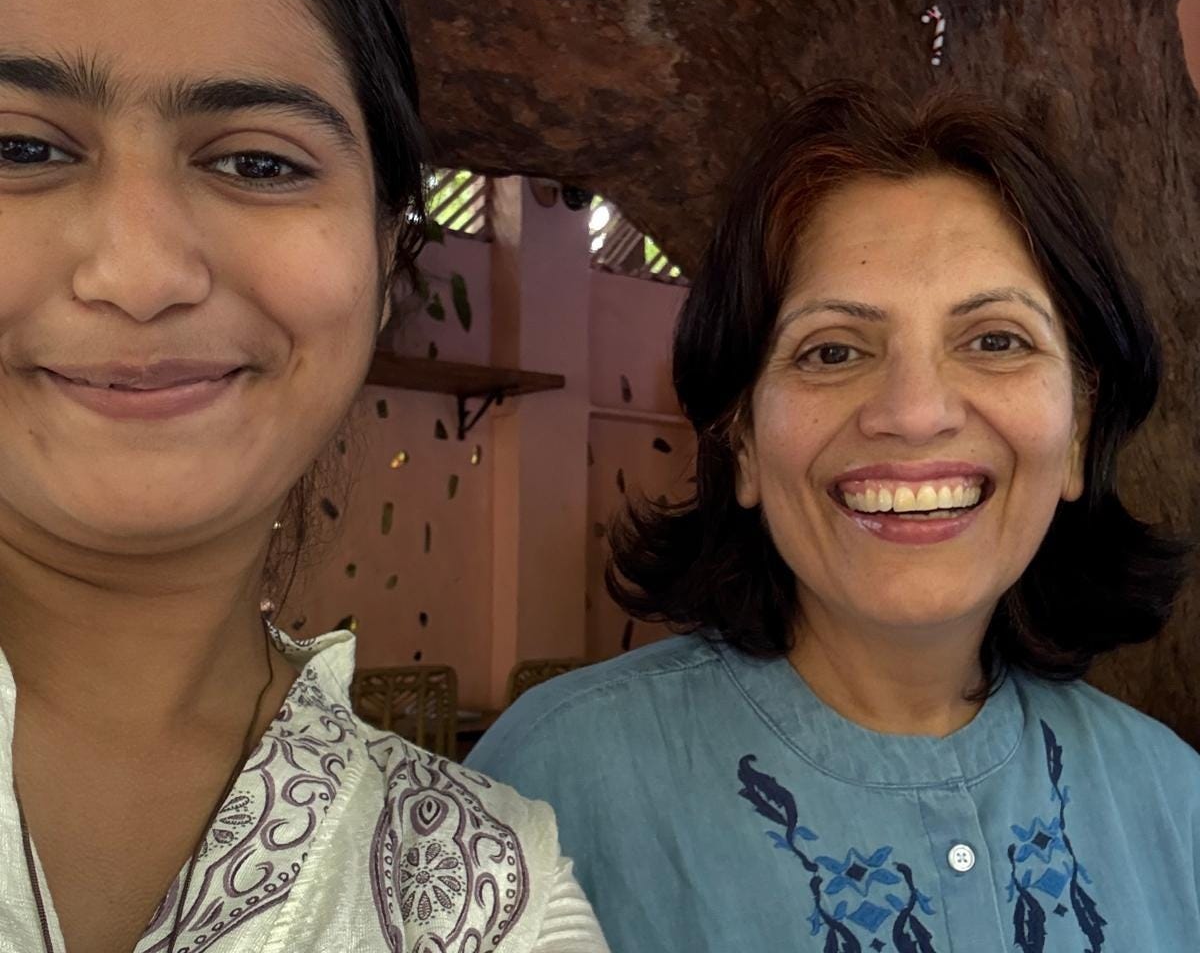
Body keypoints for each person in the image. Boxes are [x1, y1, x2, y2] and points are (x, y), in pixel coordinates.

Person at [0, 0, 607, 953]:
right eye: (20, 146)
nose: (138, 270)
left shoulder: (486, 894)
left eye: (261, 164)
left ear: (387, 258)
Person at [469, 84, 1200, 952]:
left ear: (1079, 429)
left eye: (996, 340)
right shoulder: (551, 793)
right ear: (738, 438)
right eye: (832, 351)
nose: (915, 411)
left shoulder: (1174, 798)